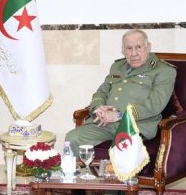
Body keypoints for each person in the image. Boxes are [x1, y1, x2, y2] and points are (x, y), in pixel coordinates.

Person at [65, 29, 177, 157]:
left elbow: (155, 104)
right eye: (129, 48)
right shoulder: (117, 67)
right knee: (72, 138)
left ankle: (119, 177)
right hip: (104, 122)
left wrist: (118, 115)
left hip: (135, 125)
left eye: (138, 47)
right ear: (123, 50)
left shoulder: (164, 70)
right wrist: (98, 108)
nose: (133, 53)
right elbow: (102, 92)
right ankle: (78, 175)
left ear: (148, 47)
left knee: (121, 150)